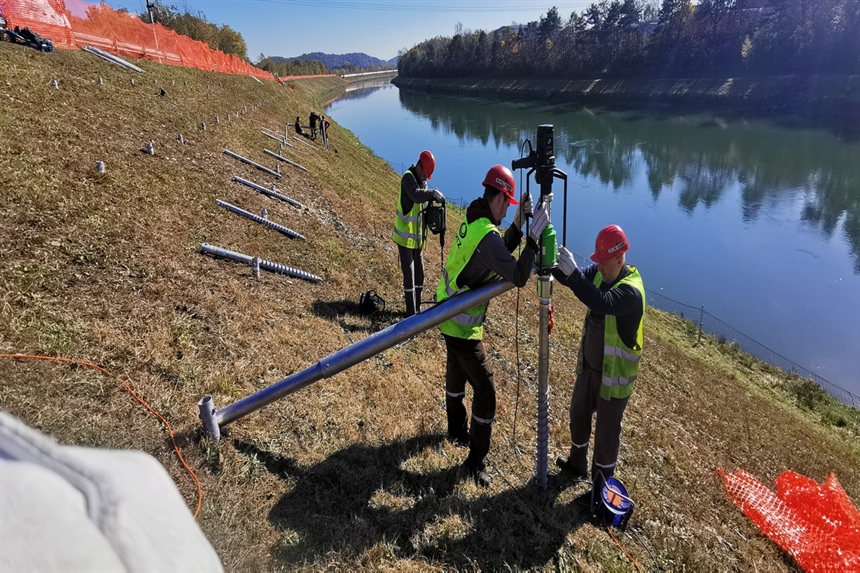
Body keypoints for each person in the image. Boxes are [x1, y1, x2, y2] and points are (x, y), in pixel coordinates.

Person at [436, 164, 549, 487]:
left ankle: (456, 429)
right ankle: (476, 461)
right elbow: (516, 275)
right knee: (485, 392)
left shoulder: (476, 219)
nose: (507, 209)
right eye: (508, 204)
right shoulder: (485, 234)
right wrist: (533, 242)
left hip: (448, 314)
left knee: (456, 377)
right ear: (500, 196)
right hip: (461, 324)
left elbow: (497, 252)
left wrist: (516, 224)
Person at [552, 225, 645, 505]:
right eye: (598, 261)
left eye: (603, 262)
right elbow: (577, 280)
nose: (599, 267)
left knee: (606, 434)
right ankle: (577, 462)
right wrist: (552, 262)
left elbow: (602, 302)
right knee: (578, 414)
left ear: (620, 258)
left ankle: (600, 491)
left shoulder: (631, 292)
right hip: (590, 369)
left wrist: (574, 277)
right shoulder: (600, 274)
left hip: (614, 380)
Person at [392, 150, 443, 317]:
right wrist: (432, 194)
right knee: (410, 275)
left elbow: (423, 210)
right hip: (405, 239)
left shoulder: (423, 184)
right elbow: (415, 196)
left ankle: (418, 307)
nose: (426, 178)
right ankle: (410, 313)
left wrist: (435, 221)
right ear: (420, 167)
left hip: (418, 241)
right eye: (426, 175)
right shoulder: (408, 178)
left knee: (420, 274)